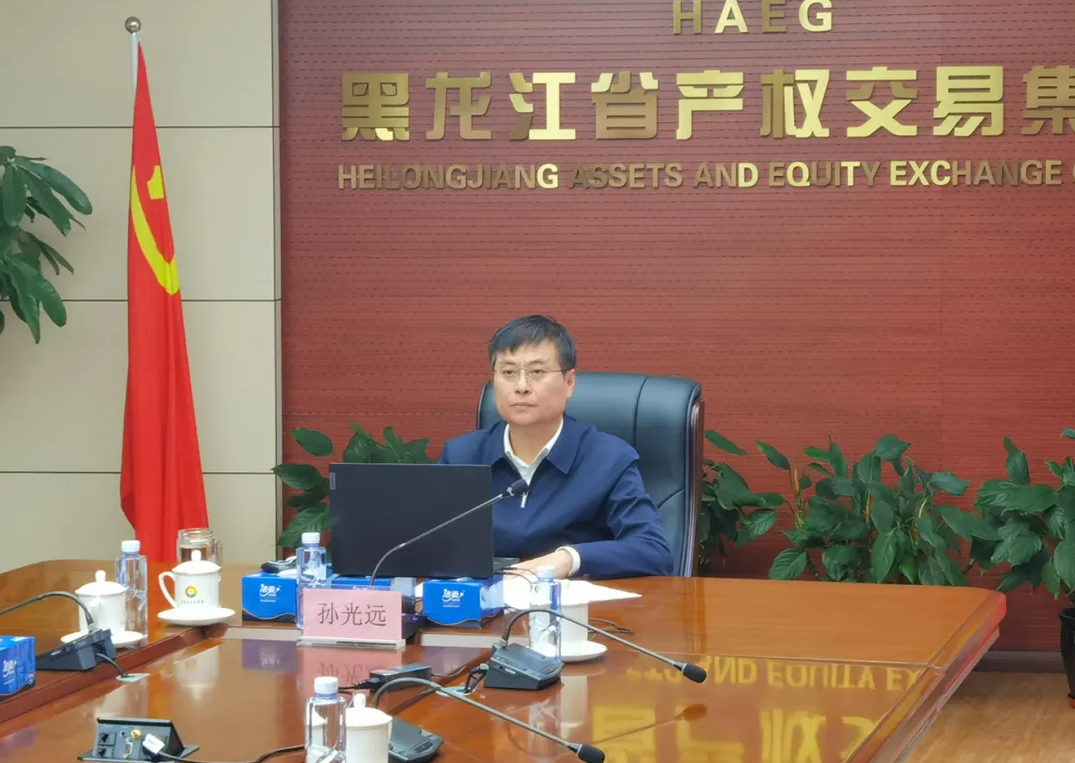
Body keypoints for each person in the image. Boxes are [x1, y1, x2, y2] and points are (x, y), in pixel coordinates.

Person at [439, 315, 675, 579]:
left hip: (573, 600)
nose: (521, 387)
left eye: (537, 372)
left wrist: (568, 559)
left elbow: (653, 550)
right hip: (482, 601)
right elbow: (430, 547)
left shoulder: (608, 459)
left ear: (569, 382)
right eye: (508, 372)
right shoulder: (461, 455)